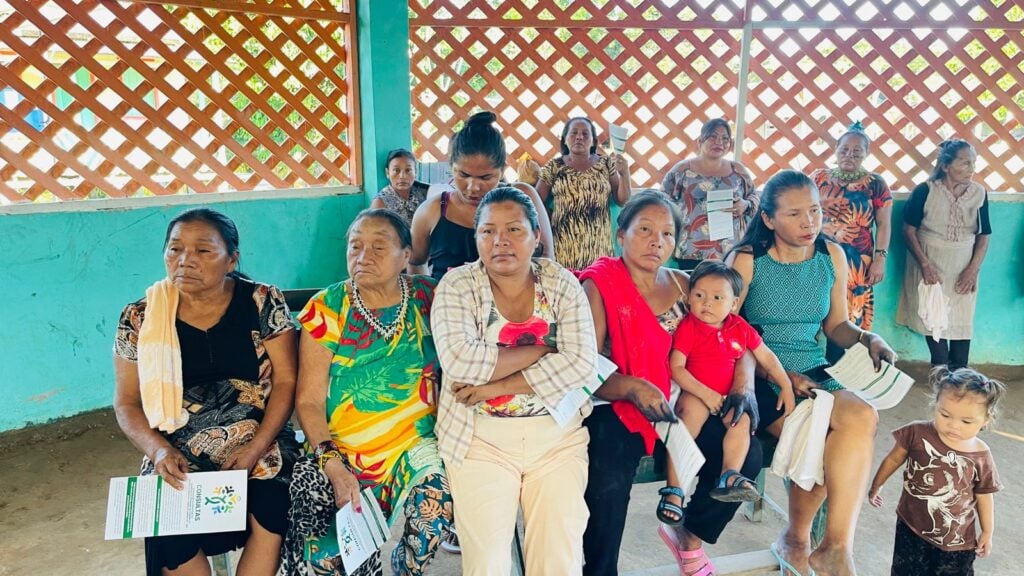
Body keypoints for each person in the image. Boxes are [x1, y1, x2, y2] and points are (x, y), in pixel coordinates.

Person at [579, 191, 762, 576]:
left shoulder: (686, 285)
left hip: (685, 400)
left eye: (666, 234)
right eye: (644, 230)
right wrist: (632, 388)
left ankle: (689, 534)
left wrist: (743, 384)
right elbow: (589, 369)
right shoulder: (600, 285)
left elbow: (739, 338)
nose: (656, 241)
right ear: (621, 234)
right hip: (619, 401)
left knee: (747, 453)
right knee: (608, 476)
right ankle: (600, 570)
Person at [727, 170, 897, 576]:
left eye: (815, 211)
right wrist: (779, 373)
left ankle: (836, 546)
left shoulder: (830, 255)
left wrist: (867, 337)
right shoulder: (748, 260)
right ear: (768, 219)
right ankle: (798, 538)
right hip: (759, 374)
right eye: (795, 214)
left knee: (863, 415)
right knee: (819, 430)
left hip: (814, 367)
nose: (809, 222)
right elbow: (726, 332)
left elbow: (836, 325)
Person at [113, 208, 300, 576]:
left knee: (273, 500)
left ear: (232, 259)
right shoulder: (140, 317)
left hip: (258, 436)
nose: (185, 261)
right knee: (166, 517)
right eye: (175, 249)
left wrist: (256, 446)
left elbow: (286, 381)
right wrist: (159, 450)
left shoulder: (261, 301)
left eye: (203, 250)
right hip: (174, 444)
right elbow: (126, 402)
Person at [431, 187, 597, 576]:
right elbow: (461, 363)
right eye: (488, 231)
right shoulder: (458, 285)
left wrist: (497, 387)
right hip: (478, 440)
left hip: (558, 438)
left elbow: (582, 364)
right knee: (487, 564)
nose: (500, 241)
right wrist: (542, 349)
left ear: (536, 236)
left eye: (514, 230)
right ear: (476, 239)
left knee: (559, 561)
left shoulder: (560, 282)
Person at [280, 209, 453, 576]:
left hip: (415, 446)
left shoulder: (430, 296)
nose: (363, 256)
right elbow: (308, 401)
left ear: (406, 256)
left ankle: (405, 567)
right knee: (331, 560)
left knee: (434, 507)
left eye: (378, 247)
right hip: (341, 447)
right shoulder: (328, 308)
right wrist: (332, 464)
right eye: (355, 246)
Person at [662, 260, 795, 524]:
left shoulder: (739, 327)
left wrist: (786, 385)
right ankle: (674, 491)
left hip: (730, 396)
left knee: (741, 422)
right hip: (697, 393)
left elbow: (767, 358)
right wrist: (705, 394)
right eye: (699, 296)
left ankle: (730, 475)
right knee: (685, 425)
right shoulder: (689, 327)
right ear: (689, 298)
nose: (707, 304)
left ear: (733, 303)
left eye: (717, 298)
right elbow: (676, 368)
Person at [868, 367, 1004, 576]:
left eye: (966, 421)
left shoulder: (981, 455)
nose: (954, 426)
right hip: (910, 528)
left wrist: (988, 531)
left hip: (956, 543)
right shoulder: (916, 432)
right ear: (935, 405)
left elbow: (984, 495)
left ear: (986, 419)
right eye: (945, 414)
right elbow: (894, 459)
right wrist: (877, 485)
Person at [411, 111, 554, 281]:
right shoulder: (433, 210)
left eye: (485, 177)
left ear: (502, 170)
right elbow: (415, 261)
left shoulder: (523, 197)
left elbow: (546, 259)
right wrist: (428, 293)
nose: (473, 187)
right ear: (450, 166)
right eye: (463, 175)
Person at [896, 140, 991, 371]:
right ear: (946, 166)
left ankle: (960, 372)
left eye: (973, 163)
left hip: (964, 266)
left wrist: (972, 270)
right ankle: (941, 371)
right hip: (930, 262)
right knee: (933, 315)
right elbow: (908, 230)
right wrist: (925, 266)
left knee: (961, 319)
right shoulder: (925, 191)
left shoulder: (979, 193)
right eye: (965, 163)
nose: (971, 169)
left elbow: (984, 235)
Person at [810, 122, 893, 362]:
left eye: (857, 151)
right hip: (818, 255)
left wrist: (880, 259)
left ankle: (837, 369)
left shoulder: (876, 183)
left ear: (866, 153)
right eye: (845, 149)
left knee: (846, 316)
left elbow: (884, 224)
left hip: (855, 261)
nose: (850, 155)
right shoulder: (818, 177)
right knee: (812, 310)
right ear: (836, 149)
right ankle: (809, 365)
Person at [661, 118, 759, 270]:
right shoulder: (682, 170)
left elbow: (754, 197)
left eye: (725, 138)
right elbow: (662, 200)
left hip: (730, 250)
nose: (719, 142)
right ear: (700, 141)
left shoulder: (738, 171)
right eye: (713, 137)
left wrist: (746, 205)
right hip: (691, 250)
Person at [536, 116, 632, 269]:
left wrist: (625, 174)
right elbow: (536, 201)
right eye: (574, 133)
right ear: (565, 139)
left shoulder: (605, 164)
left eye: (585, 134)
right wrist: (549, 216)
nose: (579, 137)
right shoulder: (554, 166)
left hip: (599, 247)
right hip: (563, 247)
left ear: (593, 141)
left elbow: (622, 200)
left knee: (598, 283)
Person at [370, 149, 430, 225]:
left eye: (408, 170)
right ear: (387, 173)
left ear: (416, 172)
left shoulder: (425, 193)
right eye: (396, 170)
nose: (402, 176)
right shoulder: (380, 203)